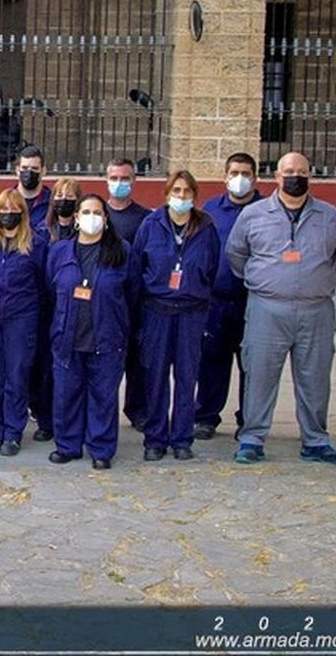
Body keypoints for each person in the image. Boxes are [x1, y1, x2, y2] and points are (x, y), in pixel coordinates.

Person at [227, 152, 336, 465]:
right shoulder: (254, 215)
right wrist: (269, 281)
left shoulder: (329, 216)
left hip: (316, 311)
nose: (294, 176)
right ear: (277, 176)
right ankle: (252, 438)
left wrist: (315, 280)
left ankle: (315, 440)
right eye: (288, 171)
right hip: (267, 309)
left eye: (301, 171)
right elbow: (236, 255)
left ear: (310, 177)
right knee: (259, 374)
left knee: (315, 378)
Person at [133, 171, 220, 461]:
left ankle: (182, 438)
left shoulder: (206, 227)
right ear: (167, 193)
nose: (181, 197)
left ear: (195, 196)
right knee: (156, 377)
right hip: (157, 311)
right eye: (177, 191)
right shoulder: (151, 224)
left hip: (191, 313)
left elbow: (212, 267)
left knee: (186, 377)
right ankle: (155, 438)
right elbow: (137, 266)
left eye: (187, 192)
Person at [46, 194, 136, 469]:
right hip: (68, 336)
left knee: (103, 397)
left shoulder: (121, 251)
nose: (91, 218)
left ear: (106, 219)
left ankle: (101, 448)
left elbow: (132, 293)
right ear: (76, 218)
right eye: (86, 212)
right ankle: (68, 445)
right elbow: (51, 289)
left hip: (107, 338)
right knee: (66, 394)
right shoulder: (60, 251)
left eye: (97, 213)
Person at [0, 188, 49, 456]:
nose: (7, 215)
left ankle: (13, 433)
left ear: (23, 214)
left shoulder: (36, 244)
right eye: (2, 210)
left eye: (13, 210)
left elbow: (43, 283)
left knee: (16, 375)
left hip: (21, 317)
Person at [194, 152, 261, 440]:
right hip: (217, 301)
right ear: (225, 176)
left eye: (246, 173)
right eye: (234, 173)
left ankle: (248, 421)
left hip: (254, 301)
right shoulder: (210, 210)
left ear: (255, 178)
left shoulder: (267, 209)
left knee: (252, 364)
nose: (240, 179)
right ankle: (206, 416)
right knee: (211, 362)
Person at [29, 176, 82, 442]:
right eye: (59, 195)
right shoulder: (41, 231)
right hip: (44, 307)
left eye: (70, 196)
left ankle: (68, 421)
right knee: (43, 367)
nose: (63, 200)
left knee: (68, 368)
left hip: (73, 309)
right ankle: (44, 419)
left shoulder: (83, 231)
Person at [105, 157, 154, 433]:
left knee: (137, 360)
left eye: (125, 178)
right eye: (114, 178)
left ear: (134, 180)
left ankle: (137, 410)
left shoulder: (145, 218)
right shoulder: (98, 214)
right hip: (105, 301)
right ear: (106, 179)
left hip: (134, 299)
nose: (119, 183)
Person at [15, 145, 51, 232]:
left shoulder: (52, 202)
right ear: (17, 170)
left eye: (34, 168)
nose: (29, 172)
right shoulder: (6, 201)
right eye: (24, 168)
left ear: (43, 171)